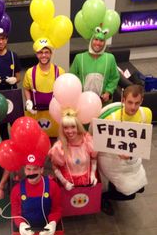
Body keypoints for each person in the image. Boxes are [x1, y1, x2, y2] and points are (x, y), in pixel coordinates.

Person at [98, 84, 152, 215]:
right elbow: (99, 142)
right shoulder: (111, 118)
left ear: (142, 101)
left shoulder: (146, 114)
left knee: (140, 188)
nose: (133, 107)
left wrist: (131, 154)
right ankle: (102, 198)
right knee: (130, 194)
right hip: (111, 158)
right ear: (123, 101)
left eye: (137, 103)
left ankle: (112, 190)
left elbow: (142, 141)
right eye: (130, 102)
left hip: (132, 157)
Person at [10, 156, 62, 235]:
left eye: (35, 169)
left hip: (47, 228)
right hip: (27, 231)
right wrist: (21, 225)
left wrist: (53, 223)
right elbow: (15, 213)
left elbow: (57, 209)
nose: (32, 173)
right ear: (24, 170)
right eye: (28, 169)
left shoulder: (52, 186)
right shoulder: (17, 190)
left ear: (41, 170)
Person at [23, 38, 64, 138]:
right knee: (35, 140)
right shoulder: (29, 72)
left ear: (51, 53)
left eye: (46, 52)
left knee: (53, 142)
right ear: (36, 54)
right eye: (40, 52)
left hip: (53, 116)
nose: (43, 55)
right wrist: (28, 101)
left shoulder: (60, 72)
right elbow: (26, 88)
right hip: (35, 114)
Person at [48, 109, 98, 190]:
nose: (69, 131)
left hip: (87, 182)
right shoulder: (59, 147)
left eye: (73, 127)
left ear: (78, 126)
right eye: (66, 128)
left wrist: (92, 174)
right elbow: (55, 166)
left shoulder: (87, 141)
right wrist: (64, 182)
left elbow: (94, 158)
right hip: (69, 184)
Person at [69, 30, 120, 104]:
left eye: (101, 40)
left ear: (105, 43)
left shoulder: (110, 58)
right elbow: (72, 78)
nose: (98, 43)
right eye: (96, 39)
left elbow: (114, 77)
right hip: (83, 101)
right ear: (91, 41)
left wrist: (108, 92)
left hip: (103, 103)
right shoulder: (79, 58)